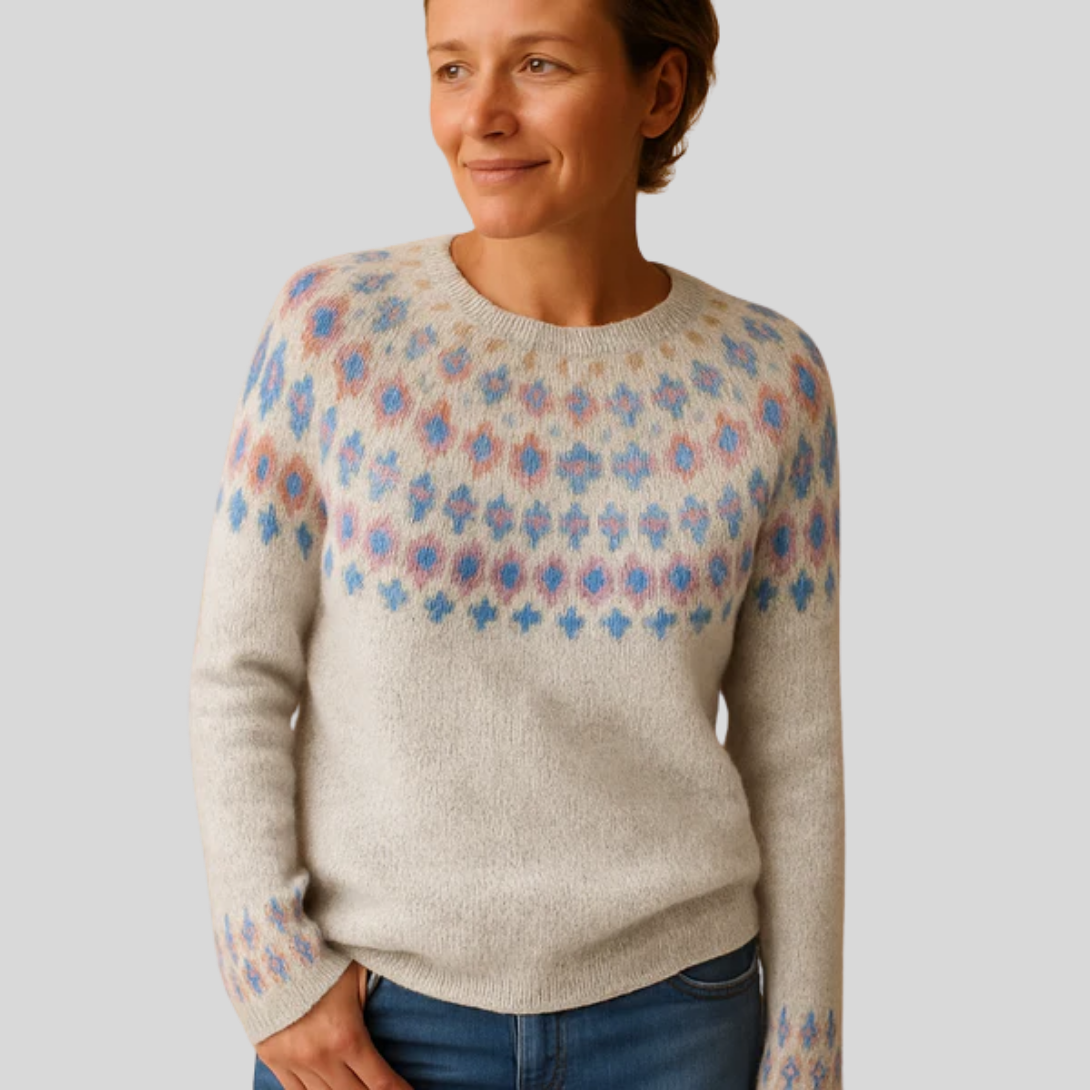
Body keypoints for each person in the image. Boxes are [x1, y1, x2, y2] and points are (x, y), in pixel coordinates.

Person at [188, 0, 846, 1086]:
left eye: (537, 64)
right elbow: (239, 676)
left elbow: (794, 749)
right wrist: (274, 979)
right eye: (451, 68)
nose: (480, 115)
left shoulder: (769, 381)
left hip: (679, 1022)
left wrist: (807, 1054)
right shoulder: (333, 334)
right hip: (381, 1021)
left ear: (660, 92)